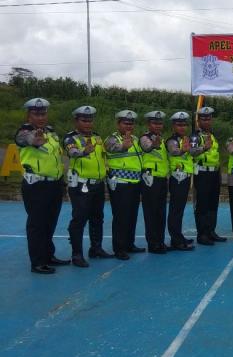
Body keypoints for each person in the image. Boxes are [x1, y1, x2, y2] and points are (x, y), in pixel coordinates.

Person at [16, 98, 68, 274]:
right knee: (37, 224)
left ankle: (48, 255)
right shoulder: (25, 131)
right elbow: (23, 140)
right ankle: (37, 262)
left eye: (43, 113)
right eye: (36, 114)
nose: (40, 117)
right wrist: (33, 139)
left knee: (50, 223)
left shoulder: (51, 132)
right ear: (29, 115)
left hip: (54, 184)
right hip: (36, 185)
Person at [64, 105, 110, 267]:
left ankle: (96, 248)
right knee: (80, 218)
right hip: (80, 185)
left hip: (97, 184)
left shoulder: (97, 137)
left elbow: (102, 157)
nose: (88, 124)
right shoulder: (71, 138)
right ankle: (77, 254)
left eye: (90, 120)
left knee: (97, 217)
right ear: (76, 121)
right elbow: (72, 152)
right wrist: (84, 151)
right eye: (84, 120)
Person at [105, 110, 144, 260]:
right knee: (121, 216)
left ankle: (129, 243)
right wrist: (123, 147)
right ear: (118, 124)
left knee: (132, 215)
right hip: (120, 183)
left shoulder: (135, 138)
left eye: (131, 123)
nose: (129, 126)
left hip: (135, 182)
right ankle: (119, 248)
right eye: (125, 123)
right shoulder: (111, 139)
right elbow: (111, 148)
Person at [192, 106, 226, 244]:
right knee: (202, 205)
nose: (207, 121)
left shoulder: (212, 135)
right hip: (202, 174)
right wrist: (204, 148)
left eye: (209, 119)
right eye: (203, 119)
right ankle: (202, 235)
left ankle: (211, 231)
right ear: (198, 121)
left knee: (213, 204)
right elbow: (192, 152)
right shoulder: (195, 136)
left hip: (214, 174)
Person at [165, 111, 198, 251]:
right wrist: (183, 150)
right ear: (173, 126)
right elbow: (174, 151)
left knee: (180, 209)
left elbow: (192, 151)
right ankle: (176, 240)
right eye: (179, 125)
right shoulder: (172, 141)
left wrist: (204, 148)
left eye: (184, 125)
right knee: (175, 210)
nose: (182, 127)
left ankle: (178, 236)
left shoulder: (186, 140)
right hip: (177, 178)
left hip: (185, 177)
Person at [140, 110, 170, 254]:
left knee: (160, 212)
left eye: (160, 123)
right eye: (154, 123)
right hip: (150, 180)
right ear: (148, 124)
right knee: (151, 212)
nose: (158, 126)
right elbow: (147, 147)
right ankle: (153, 244)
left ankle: (160, 241)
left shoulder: (162, 139)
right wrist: (153, 145)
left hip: (162, 179)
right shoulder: (145, 138)